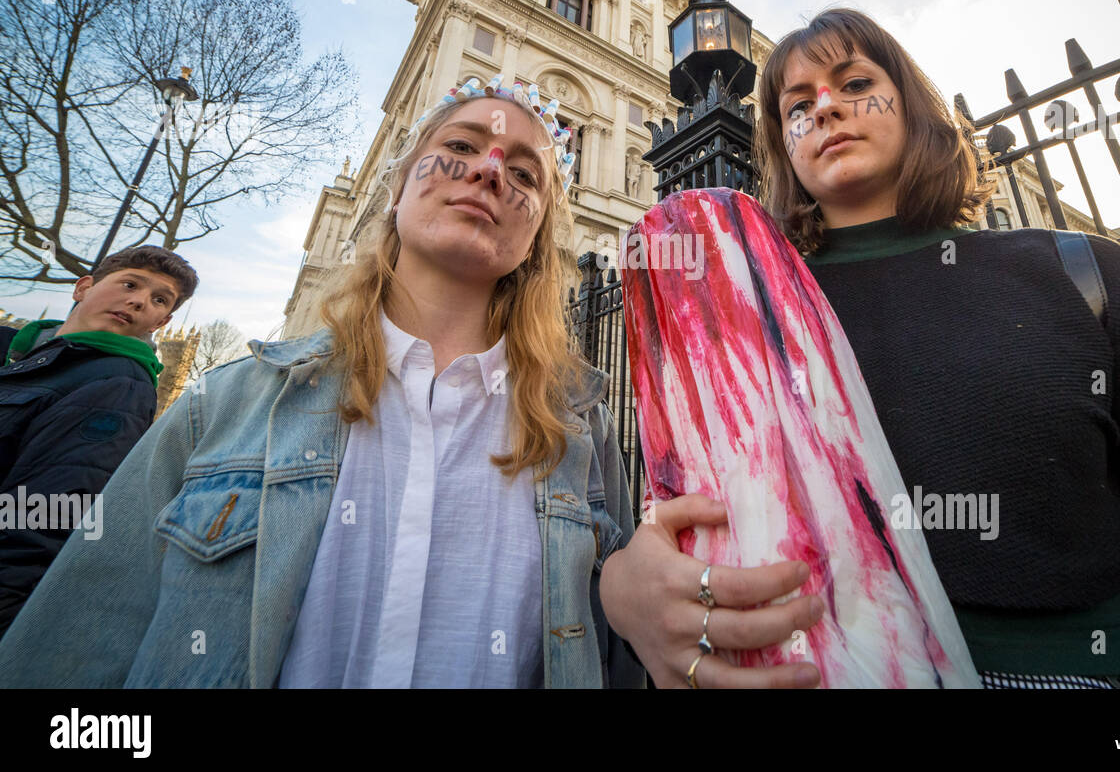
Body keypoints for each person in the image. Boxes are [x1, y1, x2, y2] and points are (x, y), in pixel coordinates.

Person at [600, 7, 1120, 689]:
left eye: (854, 85)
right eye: (798, 107)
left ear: (910, 104)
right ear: (785, 147)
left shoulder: (1077, 271)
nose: (827, 110)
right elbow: (688, 508)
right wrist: (623, 583)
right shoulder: (744, 317)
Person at [0, 77, 644, 688]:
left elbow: (623, 652)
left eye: (526, 172)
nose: (488, 170)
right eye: (457, 147)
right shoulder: (221, 405)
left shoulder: (582, 435)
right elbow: (71, 650)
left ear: (538, 236)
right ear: (396, 188)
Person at [0, 245, 197, 639]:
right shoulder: (20, 352)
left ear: (163, 321)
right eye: (130, 284)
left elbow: (42, 520)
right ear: (83, 287)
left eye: (159, 299)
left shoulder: (118, 385)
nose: (140, 301)